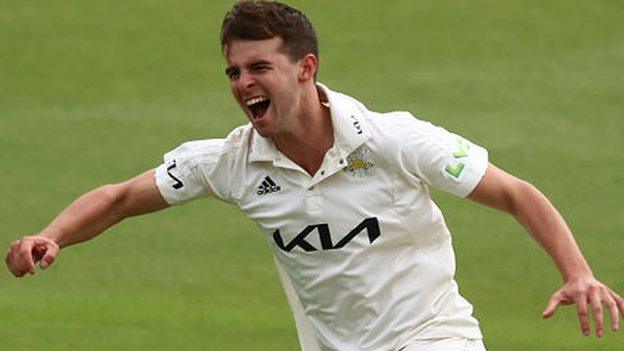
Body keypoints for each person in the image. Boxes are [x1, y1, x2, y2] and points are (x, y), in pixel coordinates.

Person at [5, 1, 623, 350]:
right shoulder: (233, 162)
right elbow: (118, 198)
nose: (244, 82)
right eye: (233, 72)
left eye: (259, 67)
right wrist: (54, 234)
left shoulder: (393, 139)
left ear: (305, 68)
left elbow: (515, 193)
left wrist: (578, 273)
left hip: (434, 337)